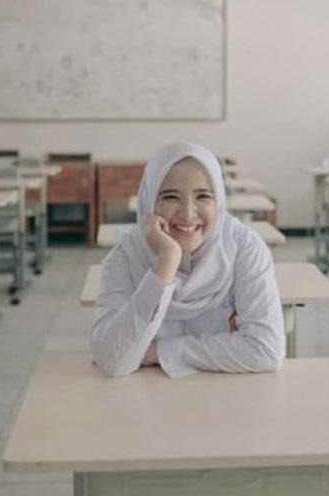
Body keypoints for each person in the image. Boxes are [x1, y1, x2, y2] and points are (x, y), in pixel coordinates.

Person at [91, 142, 286, 378]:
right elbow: (112, 361)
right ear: (149, 201)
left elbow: (266, 351)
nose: (188, 213)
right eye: (170, 197)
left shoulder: (244, 248)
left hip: (227, 400)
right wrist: (166, 262)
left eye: (203, 196)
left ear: (219, 203)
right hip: (147, 401)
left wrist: (157, 352)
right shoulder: (126, 255)